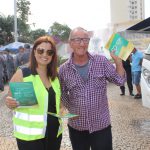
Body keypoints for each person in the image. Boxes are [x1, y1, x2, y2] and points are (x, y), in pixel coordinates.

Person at [59, 27, 126, 150]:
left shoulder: (101, 61)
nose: (82, 43)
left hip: (101, 126)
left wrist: (118, 61)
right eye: (78, 40)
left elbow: (119, 80)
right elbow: (62, 92)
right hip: (77, 127)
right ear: (71, 43)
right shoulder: (64, 69)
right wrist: (71, 108)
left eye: (85, 40)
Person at [5, 36, 62, 150]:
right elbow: (10, 99)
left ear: (53, 55)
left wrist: (62, 108)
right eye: (41, 50)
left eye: (49, 52)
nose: (45, 55)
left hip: (53, 133)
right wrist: (9, 102)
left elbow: (55, 102)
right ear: (34, 51)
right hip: (30, 138)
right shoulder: (23, 74)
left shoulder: (55, 76)